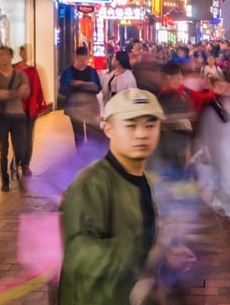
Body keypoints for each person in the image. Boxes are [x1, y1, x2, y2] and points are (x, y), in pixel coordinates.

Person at [59, 88, 189, 304]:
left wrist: (163, 257)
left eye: (150, 125)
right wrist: (148, 245)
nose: (141, 134)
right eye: (130, 125)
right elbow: (79, 255)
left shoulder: (140, 179)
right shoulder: (91, 183)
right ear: (108, 129)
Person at [0, 46, 30, 192]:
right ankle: (5, 181)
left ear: (11, 57)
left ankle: (15, 165)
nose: (2, 58)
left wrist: (6, 93)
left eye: (5, 55)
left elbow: (26, 93)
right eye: (0, 55)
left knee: (21, 149)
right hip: (2, 117)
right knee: (3, 150)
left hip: (18, 116)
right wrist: (16, 92)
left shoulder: (20, 75)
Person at [59, 46, 104, 153]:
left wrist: (91, 86)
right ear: (76, 57)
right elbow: (62, 90)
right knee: (78, 135)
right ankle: (81, 155)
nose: (83, 62)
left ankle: (92, 156)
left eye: (85, 60)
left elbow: (98, 87)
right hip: (74, 108)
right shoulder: (67, 72)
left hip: (91, 107)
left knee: (92, 133)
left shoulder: (92, 71)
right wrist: (72, 84)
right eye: (80, 60)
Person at [15, 45, 48, 177]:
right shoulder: (14, 70)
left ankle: (25, 164)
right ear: (20, 53)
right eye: (23, 53)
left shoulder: (33, 71)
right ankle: (18, 160)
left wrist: (39, 105)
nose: (25, 55)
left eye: (27, 53)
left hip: (29, 110)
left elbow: (37, 89)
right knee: (18, 138)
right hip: (16, 110)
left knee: (28, 138)